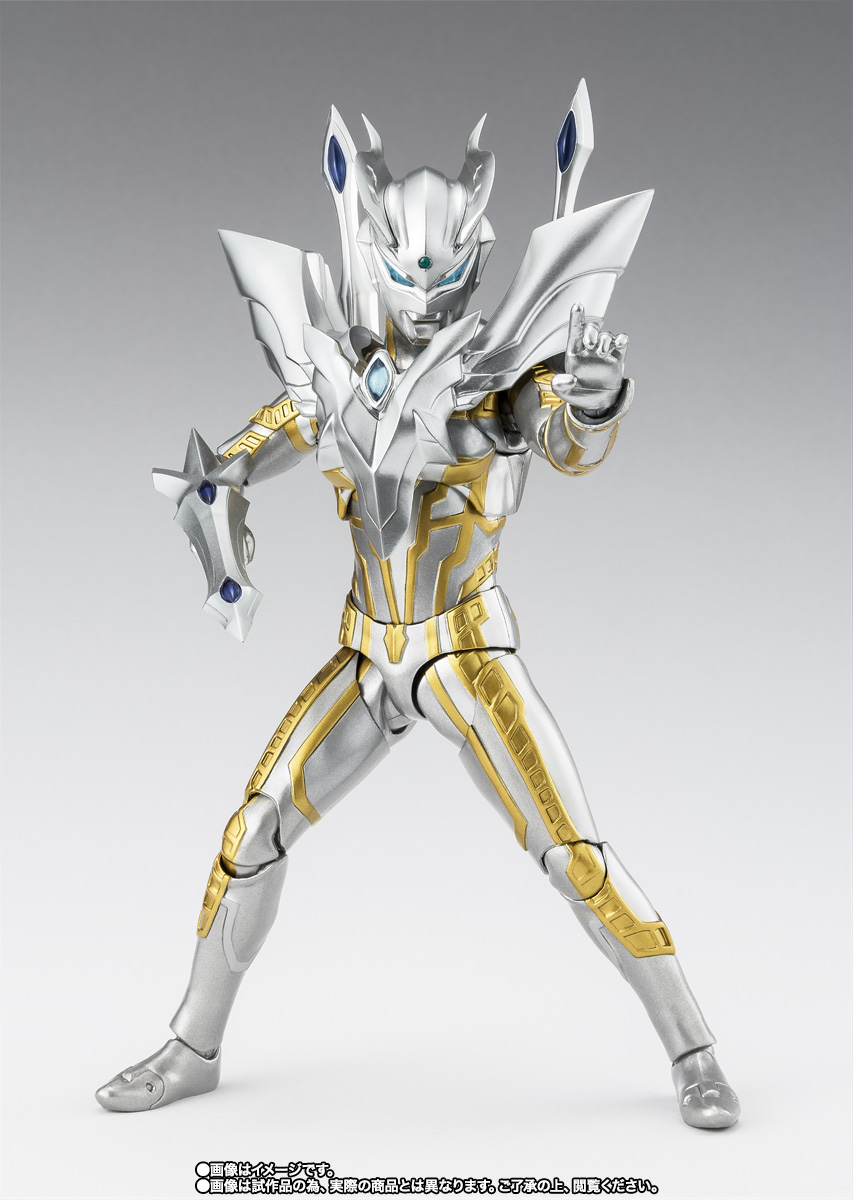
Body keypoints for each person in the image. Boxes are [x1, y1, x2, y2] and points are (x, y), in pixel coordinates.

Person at [97, 87, 740, 1129]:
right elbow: (240, 454)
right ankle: (192, 1047)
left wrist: (591, 395)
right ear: (371, 257)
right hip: (365, 657)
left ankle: (695, 1051)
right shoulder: (333, 376)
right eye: (406, 275)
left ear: (475, 264)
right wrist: (213, 504)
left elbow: (560, 435)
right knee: (251, 830)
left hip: (463, 653)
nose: (425, 299)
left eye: (444, 278)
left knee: (573, 855)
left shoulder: (492, 381)